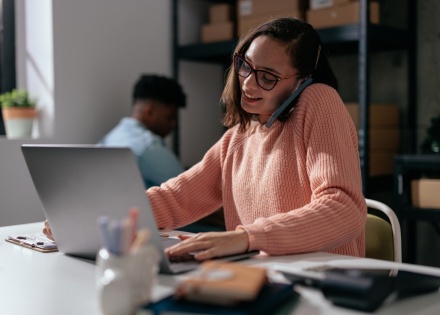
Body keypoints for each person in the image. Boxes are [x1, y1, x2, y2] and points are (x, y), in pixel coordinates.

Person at [45, 17, 366, 260]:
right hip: (262, 278)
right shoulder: (239, 137)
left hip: (324, 282)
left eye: (267, 77)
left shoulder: (318, 100)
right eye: (245, 66)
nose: (248, 84)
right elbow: (175, 198)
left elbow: (345, 208)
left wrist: (246, 237)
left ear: (301, 83)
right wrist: (92, 217)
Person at [98, 74, 186, 188]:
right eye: (170, 117)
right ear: (149, 111)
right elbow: (190, 192)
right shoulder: (148, 147)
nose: (173, 124)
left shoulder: (108, 139)